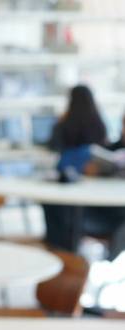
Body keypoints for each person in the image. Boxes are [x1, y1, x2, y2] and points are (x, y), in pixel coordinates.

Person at [45, 85, 125, 257]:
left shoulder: (64, 123)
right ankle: (67, 254)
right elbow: (107, 150)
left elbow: (53, 146)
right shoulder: (99, 124)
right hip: (96, 200)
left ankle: (62, 252)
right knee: (61, 205)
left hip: (110, 211)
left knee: (59, 206)